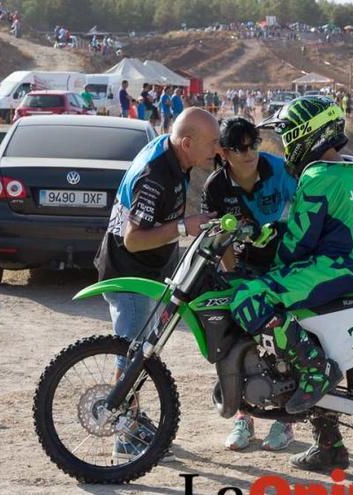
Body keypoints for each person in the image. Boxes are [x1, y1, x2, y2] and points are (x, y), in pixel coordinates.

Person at [230, 96, 353, 472]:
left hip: (327, 267)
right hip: (343, 266)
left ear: (308, 133)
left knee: (249, 294)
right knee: (306, 340)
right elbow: (315, 225)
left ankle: (314, 370)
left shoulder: (318, 176)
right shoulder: (352, 172)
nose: (286, 144)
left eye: (289, 135)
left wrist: (266, 264)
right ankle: (330, 446)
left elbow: (298, 242)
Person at [93, 108, 220, 463]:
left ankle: (132, 416)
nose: (217, 148)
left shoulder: (177, 155)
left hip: (147, 273)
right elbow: (134, 239)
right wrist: (185, 226)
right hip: (129, 273)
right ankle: (124, 432)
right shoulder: (156, 174)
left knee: (141, 352)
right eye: (212, 143)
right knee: (133, 355)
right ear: (187, 142)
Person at [201, 117, 297, 453]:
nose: (249, 153)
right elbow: (219, 239)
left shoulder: (279, 170)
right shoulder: (215, 187)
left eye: (253, 144)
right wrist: (235, 277)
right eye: (239, 148)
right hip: (243, 268)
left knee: (282, 339)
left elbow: (302, 212)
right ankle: (245, 417)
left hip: (284, 266)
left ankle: (286, 422)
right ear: (224, 152)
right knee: (238, 342)